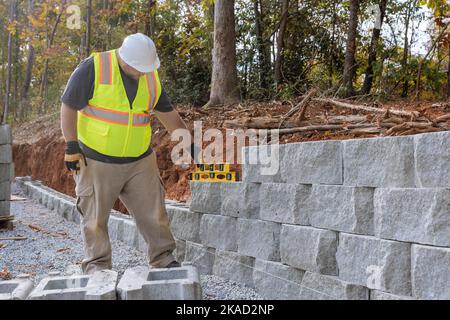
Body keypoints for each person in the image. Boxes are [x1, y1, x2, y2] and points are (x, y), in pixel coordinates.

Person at [60, 33, 194, 274]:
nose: (144, 73)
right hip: (96, 160)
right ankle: (98, 266)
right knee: (94, 219)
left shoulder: (150, 78)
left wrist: (185, 138)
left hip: (140, 161)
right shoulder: (94, 67)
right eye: (140, 68)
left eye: (147, 68)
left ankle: (163, 259)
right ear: (125, 60)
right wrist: (71, 145)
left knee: (155, 214)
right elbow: (68, 104)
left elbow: (167, 113)